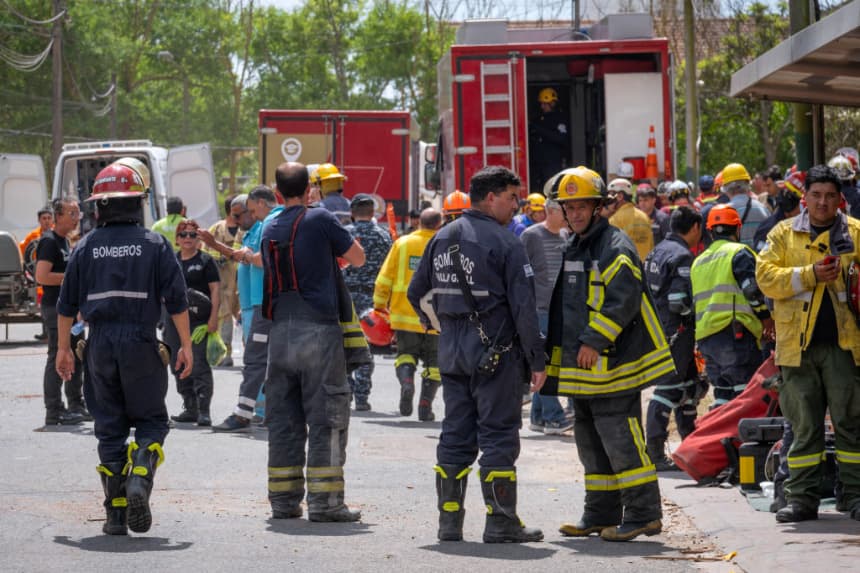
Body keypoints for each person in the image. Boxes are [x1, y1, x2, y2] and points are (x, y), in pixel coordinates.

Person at [408, 166, 546, 544]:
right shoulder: (506, 243)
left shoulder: (440, 237)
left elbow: (416, 293)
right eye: (512, 197)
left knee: (455, 435)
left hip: (452, 354)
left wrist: (442, 326)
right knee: (499, 435)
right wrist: (537, 360)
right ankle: (501, 522)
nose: (516, 206)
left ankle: (449, 523)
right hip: (496, 356)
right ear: (491, 197)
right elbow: (524, 308)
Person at [55, 159, 193, 535]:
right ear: (138, 203)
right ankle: (142, 474)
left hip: (99, 344)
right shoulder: (155, 245)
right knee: (152, 420)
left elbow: (65, 305)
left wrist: (63, 349)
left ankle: (115, 514)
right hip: (142, 343)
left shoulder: (85, 247)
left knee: (109, 427)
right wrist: (185, 346)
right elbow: (177, 301)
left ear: (98, 207)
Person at [542, 166, 670, 542]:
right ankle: (599, 513)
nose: (575, 213)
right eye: (570, 207)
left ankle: (644, 514)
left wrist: (594, 340)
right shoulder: (577, 243)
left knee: (621, 439)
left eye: (582, 206)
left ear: (598, 207)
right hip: (584, 368)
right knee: (590, 442)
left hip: (613, 364)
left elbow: (623, 298)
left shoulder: (614, 245)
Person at [261, 161, 365, 522]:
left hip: (280, 333)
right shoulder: (320, 218)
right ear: (310, 191)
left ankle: (283, 500)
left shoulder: (269, 226)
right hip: (318, 331)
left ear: (277, 194)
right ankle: (326, 503)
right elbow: (357, 257)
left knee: (284, 419)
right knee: (327, 416)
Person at [756, 164, 860, 523]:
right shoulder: (783, 235)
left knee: (851, 424)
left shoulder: (855, 233)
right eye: (816, 195)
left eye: (830, 196)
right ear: (805, 198)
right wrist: (810, 274)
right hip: (797, 348)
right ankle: (801, 499)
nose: (823, 203)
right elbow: (765, 277)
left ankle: (854, 496)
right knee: (803, 427)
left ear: (840, 199)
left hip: (845, 348)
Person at [204, 187, 283, 431]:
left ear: (259, 205)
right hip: (253, 305)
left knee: (256, 361)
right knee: (259, 360)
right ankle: (261, 411)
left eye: (242, 214)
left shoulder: (267, 224)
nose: (236, 220)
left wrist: (220, 246)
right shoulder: (253, 230)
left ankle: (249, 413)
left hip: (263, 304)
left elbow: (260, 259)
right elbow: (243, 260)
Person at [691, 204, 773, 408]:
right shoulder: (739, 253)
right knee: (744, 394)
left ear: (710, 232)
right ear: (737, 228)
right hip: (735, 335)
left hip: (707, 339)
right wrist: (766, 318)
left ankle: (720, 428)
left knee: (723, 394)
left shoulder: (698, 262)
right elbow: (752, 291)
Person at [643, 206, 704, 471]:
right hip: (676, 332)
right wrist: (695, 316)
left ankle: (689, 448)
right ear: (695, 228)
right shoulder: (682, 255)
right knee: (667, 390)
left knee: (690, 388)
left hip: (658, 329)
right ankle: (655, 452)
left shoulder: (656, 251)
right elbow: (678, 301)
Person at [374, 208, 443, 421]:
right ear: (439, 224)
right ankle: (425, 406)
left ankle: (407, 383)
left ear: (418, 222)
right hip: (435, 318)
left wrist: (379, 304)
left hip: (403, 315)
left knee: (405, 355)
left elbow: (384, 278)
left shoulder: (402, 243)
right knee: (434, 364)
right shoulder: (444, 245)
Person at [520, 198, 572, 435]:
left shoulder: (564, 235)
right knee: (544, 362)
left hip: (558, 309)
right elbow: (519, 271)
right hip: (538, 309)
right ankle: (554, 417)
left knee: (549, 362)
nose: (568, 215)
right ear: (550, 211)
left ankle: (539, 417)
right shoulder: (531, 236)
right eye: (564, 211)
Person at [36, 197, 89, 425]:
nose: (76, 218)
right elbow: (42, 276)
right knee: (57, 355)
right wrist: (70, 277)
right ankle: (54, 410)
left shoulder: (65, 241)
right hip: (55, 309)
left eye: (78, 213)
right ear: (58, 216)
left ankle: (76, 404)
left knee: (76, 354)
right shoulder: (49, 241)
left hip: (71, 310)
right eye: (72, 214)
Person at [166, 219, 220, 427]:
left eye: (192, 234)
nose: (187, 238)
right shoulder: (171, 260)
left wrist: (213, 318)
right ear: (177, 239)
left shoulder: (206, 260)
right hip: (173, 321)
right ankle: (190, 407)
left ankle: (204, 410)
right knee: (176, 363)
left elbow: (215, 290)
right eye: (183, 234)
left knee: (198, 364)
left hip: (199, 321)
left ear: (198, 239)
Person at [342, 193, 392, 410]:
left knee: (342, 344)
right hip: (372, 299)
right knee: (367, 346)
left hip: (345, 297)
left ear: (352, 213)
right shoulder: (384, 236)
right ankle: (362, 396)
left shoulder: (344, 234)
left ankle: (346, 389)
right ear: (373, 213)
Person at [205, 194, 243, 367]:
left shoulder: (246, 229)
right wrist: (217, 259)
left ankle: (251, 351)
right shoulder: (216, 229)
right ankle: (225, 353)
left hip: (242, 282)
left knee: (245, 316)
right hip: (223, 282)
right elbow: (206, 252)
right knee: (225, 316)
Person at [720, 163, 770, 248]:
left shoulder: (723, 212)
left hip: (735, 256)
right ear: (747, 184)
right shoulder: (763, 209)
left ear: (726, 188)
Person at [529, 87, 569, 192]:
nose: (542, 106)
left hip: (552, 163)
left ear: (553, 103)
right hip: (538, 163)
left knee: (552, 189)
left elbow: (561, 138)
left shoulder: (559, 119)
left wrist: (539, 130)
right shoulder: (538, 119)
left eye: (545, 104)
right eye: (541, 104)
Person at [754, 171, 804, 252]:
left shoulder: (802, 227)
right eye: (803, 205)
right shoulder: (768, 231)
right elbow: (761, 257)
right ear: (789, 205)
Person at [608, 178, 654, 261]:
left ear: (620, 196)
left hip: (627, 268)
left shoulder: (614, 219)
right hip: (646, 267)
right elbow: (651, 246)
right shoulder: (644, 216)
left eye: (611, 195)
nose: (609, 200)